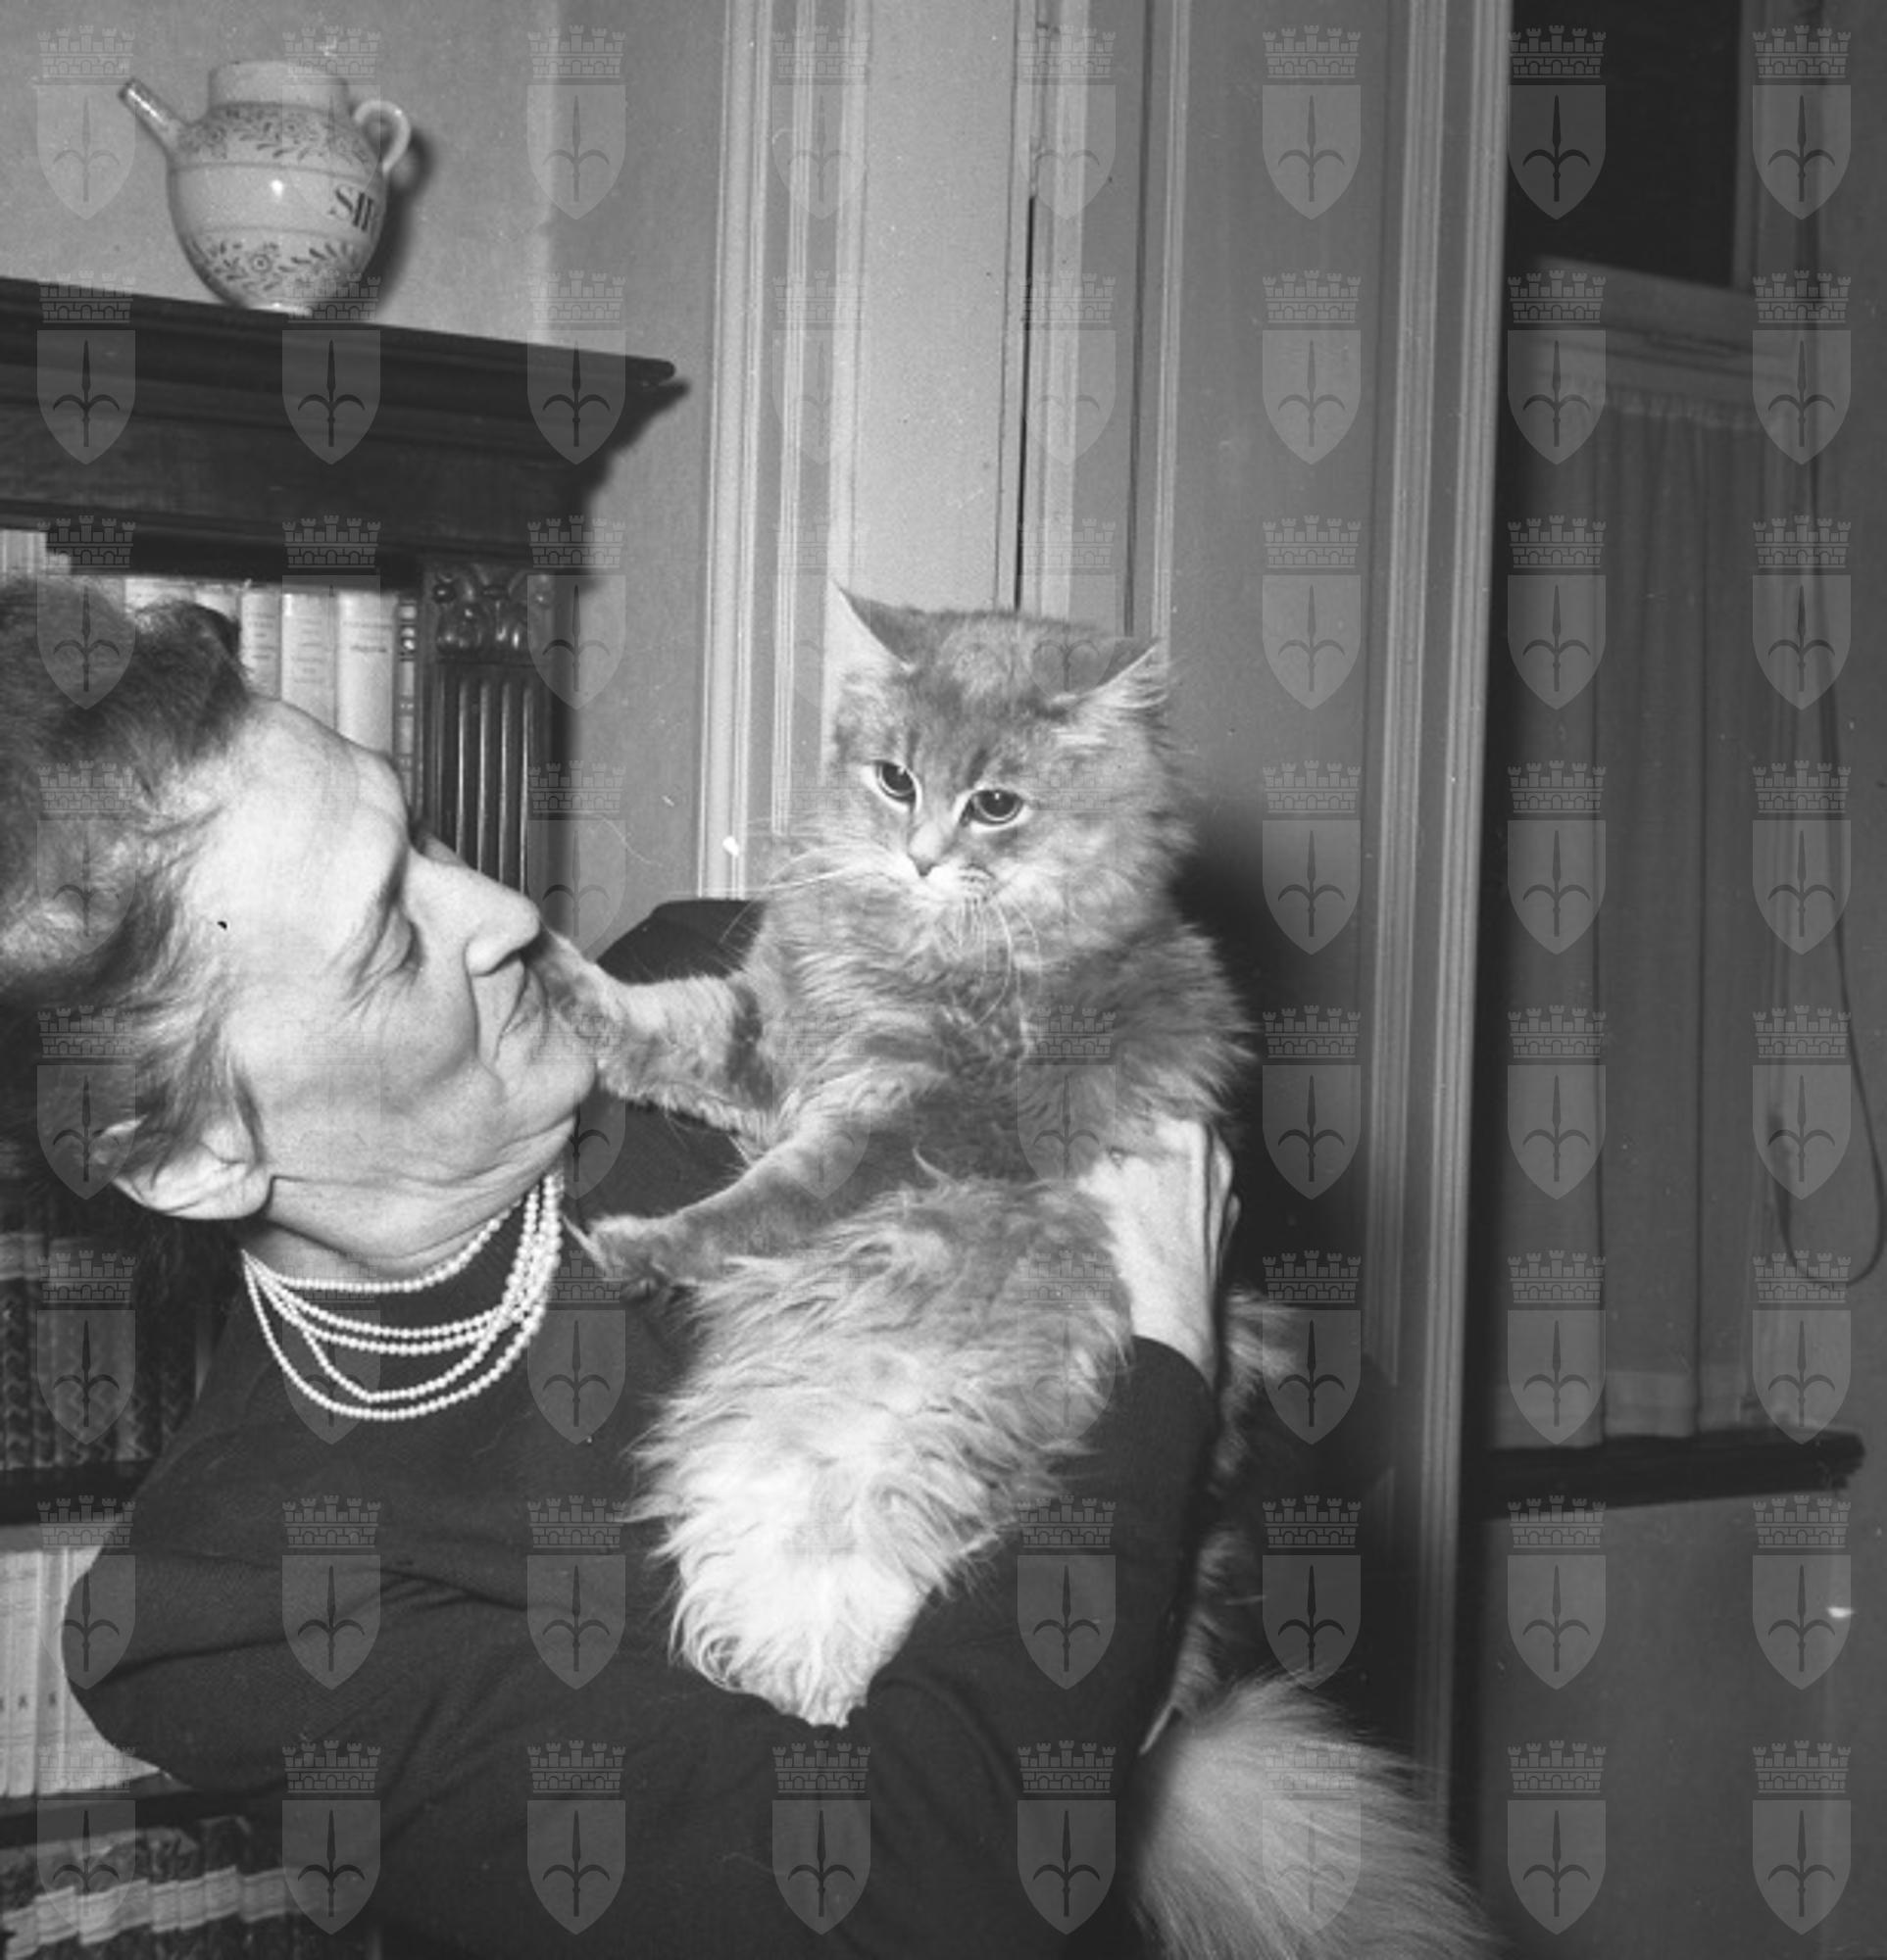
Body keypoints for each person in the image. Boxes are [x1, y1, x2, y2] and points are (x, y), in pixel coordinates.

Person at [0, 585, 1233, 1956]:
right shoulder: (236, 1608)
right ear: (193, 1153)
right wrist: (1163, 1358)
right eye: (391, 939)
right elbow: (898, 1897)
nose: (506, 912)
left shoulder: (721, 969)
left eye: (420, 832)